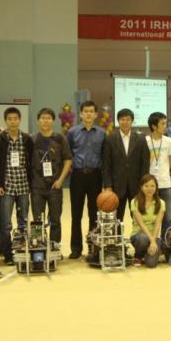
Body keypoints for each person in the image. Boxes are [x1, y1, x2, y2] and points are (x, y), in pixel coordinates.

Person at [0, 107, 33, 264]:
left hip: (23, 186)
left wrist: (32, 183)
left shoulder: (27, 139)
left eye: (15, 118)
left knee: (23, 221)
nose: (13, 121)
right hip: (7, 187)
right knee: (5, 224)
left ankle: (22, 252)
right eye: (9, 119)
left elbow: (31, 163)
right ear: (5, 120)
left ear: (19, 120)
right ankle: (8, 255)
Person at [66, 100, 106, 259]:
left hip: (95, 176)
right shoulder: (72, 132)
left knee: (94, 214)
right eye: (86, 111)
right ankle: (76, 248)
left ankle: (93, 246)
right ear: (81, 114)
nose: (88, 114)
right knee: (76, 214)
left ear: (96, 114)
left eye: (91, 111)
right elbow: (67, 153)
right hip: (77, 176)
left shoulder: (102, 133)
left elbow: (105, 156)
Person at [30, 107, 72, 246]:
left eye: (48, 118)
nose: (45, 121)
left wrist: (60, 180)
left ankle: (55, 247)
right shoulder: (32, 139)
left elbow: (68, 160)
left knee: (55, 220)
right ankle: (37, 247)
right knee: (37, 221)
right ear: (38, 121)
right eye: (43, 118)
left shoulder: (60, 139)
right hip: (37, 186)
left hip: (55, 186)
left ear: (53, 121)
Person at [102, 108, 150, 222]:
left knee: (138, 217)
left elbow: (145, 163)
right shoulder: (110, 139)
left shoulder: (140, 139)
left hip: (136, 185)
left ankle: (138, 234)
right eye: (122, 119)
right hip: (117, 185)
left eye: (128, 119)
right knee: (117, 218)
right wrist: (108, 185)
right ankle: (118, 234)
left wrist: (144, 183)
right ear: (118, 121)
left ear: (132, 121)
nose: (125, 122)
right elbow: (106, 164)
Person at [146, 112, 171, 235]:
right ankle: (151, 241)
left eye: (165, 123)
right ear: (154, 126)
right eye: (162, 124)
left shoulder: (169, 141)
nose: (165, 126)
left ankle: (165, 242)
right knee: (150, 216)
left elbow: (170, 161)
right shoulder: (145, 141)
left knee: (167, 217)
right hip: (149, 186)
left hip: (166, 183)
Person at [130, 174, 165, 268]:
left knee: (151, 264)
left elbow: (158, 224)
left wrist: (153, 241)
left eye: (152, 186)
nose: (149, 189)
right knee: (143, 239)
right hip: (138, 235)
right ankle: (138, 256)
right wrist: (152, 241)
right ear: (141, 187)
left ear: (156, 187)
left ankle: (148, 253)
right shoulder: (135, 202)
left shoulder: (161, 203)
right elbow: (141, 224)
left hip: (153, 236)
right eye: (146, 186)